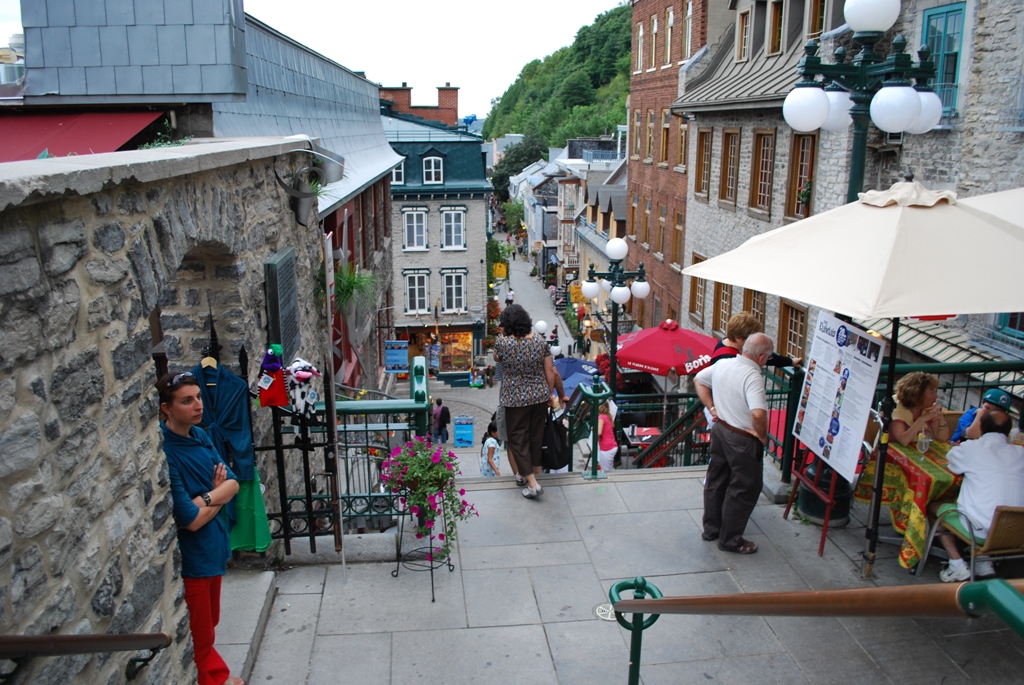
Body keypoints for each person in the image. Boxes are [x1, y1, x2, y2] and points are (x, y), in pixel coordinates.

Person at [158, 372, 245, 685]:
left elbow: (233, 482)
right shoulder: (168, 452)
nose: (198, 405)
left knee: (212, 621)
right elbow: (190, 520)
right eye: (187, 401)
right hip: (195, 557)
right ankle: (214, 680)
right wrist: (219, 495)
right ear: (167, 408)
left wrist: (208, 497)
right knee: (201, 629)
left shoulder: (200, 435)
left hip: (214, 546)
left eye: (198, 397)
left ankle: (215, 675)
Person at [694, 333, 774, 554]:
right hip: (742, 438)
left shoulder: (724, 364)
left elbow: (699, 379)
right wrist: (763, 435)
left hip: (720, 430)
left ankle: (711, 529)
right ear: (762, 357)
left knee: (716, 479)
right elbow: (758, 414)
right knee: (744, 488)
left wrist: (712, 408)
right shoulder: (753, 376)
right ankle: (730, 539)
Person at [928, 410, 1024, 581]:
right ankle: (982, 561)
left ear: (981, 427)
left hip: (980, 532)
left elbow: (952, 463)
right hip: (1016, 534)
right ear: (1008, 432)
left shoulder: (972, 448)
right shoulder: (1021, 453)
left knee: (933, 507)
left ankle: (956, 564)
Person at [493, 304, 556, 498]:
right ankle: (524, 473)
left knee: (517, 438)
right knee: (535, 436)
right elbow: (550, 370)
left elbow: (497, 358)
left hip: (514, 398)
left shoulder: (503, 343)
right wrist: (550, 394)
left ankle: (532, 483)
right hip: (538, 396)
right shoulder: (540, 341)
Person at [710, 312, 800, 368]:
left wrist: (790, 361)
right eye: (750, 339)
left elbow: (765, 356)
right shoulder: (726, 360)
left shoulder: (726, 343)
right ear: (738, 338)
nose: (754, 341)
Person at [890, 372, 951, 447]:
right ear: (918, 396)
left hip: (913, 452)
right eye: (932, 393)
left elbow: (942, 439)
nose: (936, 396)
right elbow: (903, 441)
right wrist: (921, 419)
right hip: (889, 453)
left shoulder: (927, 408)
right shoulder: (896, 408)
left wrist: (941, 418)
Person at [951, 388, 1018, 443]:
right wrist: (980, 414)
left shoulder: (999, 421)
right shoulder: (971, 414)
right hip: (957, 447)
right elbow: (972, 435)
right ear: (984, 405)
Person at [596, 401, 619, 472]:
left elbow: (599, 432)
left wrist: (594, 428)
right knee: (609, 467)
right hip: (612, 446)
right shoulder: (608, 416)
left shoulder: (601, 417)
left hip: (607, 448)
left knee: (606, 470)